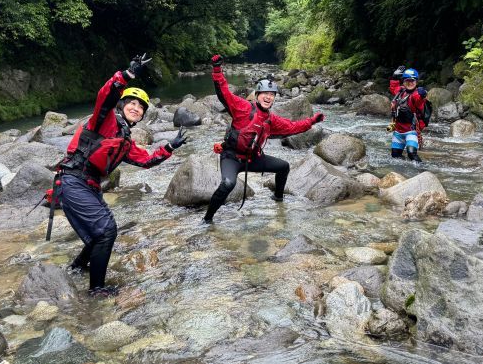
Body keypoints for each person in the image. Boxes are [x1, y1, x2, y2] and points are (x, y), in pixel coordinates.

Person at [58, 54, 188, 297]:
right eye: (132, 103)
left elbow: (147, 161)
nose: (137, 108)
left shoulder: (125, 141)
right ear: (122, 104)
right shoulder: (104, 119)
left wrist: (170, 147)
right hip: (72, 181)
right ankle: (96, 289)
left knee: (102, 231)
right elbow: (105, 96)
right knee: (107, 230)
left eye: (141, 107)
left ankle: (78, 266)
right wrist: (127, 76)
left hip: (87, 185)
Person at [202, 54, 325, 224]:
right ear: (257, 95)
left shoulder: (271, 119)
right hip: (231, 157)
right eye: (265, 93)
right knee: (228, 184)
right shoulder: (243, 107)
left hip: (253, 159)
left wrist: (312, 121)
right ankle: (207, 220)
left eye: (272, 94)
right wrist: (217, 70)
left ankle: (278, 199)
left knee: (284, 167)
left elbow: (292, 126)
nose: (268, 97)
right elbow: (224, 93)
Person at [388, 65, 429, 161]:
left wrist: (423, 94)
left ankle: (422, 171)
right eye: (407, 80)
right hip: (398, 131)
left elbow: (420, 100)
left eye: (412, 81)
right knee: (395, 156)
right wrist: (394, 77)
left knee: (411, 153)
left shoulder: (416, 94)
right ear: (403, 81)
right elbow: (393, 87)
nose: (410, 83)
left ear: (416, 82)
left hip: (411, 131)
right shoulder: (400, 91)